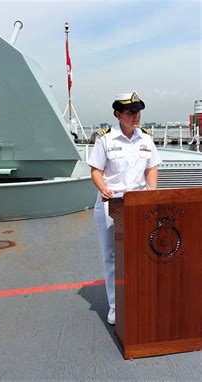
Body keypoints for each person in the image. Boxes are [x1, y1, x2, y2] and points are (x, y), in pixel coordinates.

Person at [87, 92, 162, 325]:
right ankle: (115, 306)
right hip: (112, 206)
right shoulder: (106, 140)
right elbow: (96, 171)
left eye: (138, 111)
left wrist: (151, 189)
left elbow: (152, 168)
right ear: (118, 114)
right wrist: (103, 188)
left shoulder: (146, 139)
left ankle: (141, 298)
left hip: (139, 207)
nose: (136, 116)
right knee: (112, 255)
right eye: (131, 112)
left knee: (142, 254)